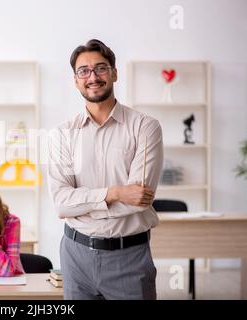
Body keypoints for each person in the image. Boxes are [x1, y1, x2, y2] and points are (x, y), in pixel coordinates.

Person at [48, 39, 163, 299]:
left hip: (129, 257)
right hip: (75, 256)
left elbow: (138, 201)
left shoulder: (145, 127)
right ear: (76, 80)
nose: (93, 77)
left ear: (114, 73)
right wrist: (115, 193)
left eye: (101, 68)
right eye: (83, 71)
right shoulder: (62, 135)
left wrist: (84, 205)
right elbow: (61, 203)